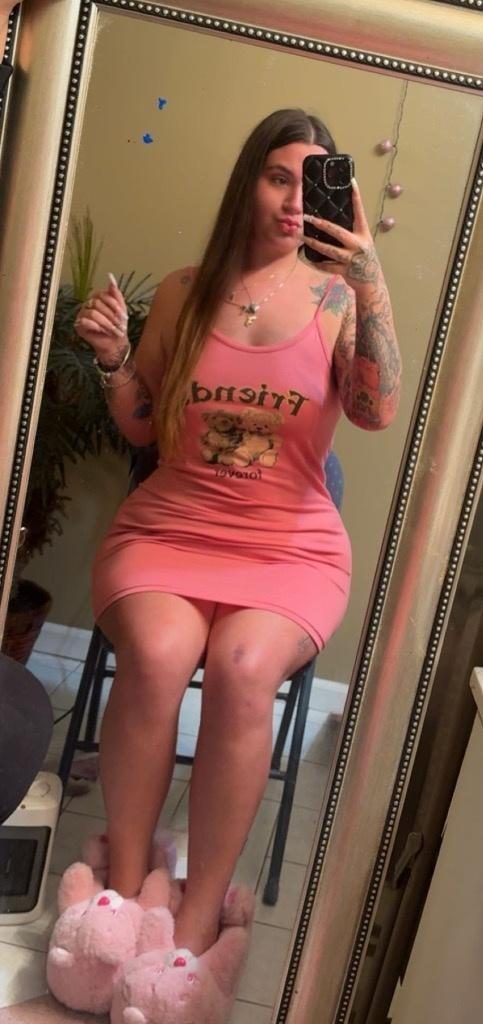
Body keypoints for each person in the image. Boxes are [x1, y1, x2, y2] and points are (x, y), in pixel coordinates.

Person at [73, 108, 401, 958]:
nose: (293, 201)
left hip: (289, 547)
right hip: (170, 528)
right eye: (277, 177)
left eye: (310, 183)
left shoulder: (339, 299)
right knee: (155, 656)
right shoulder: (182, 292)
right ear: (247, 182)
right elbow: (145, 427)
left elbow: (374, 411)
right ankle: (123, 894)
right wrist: (114, 360)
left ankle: (193, 920)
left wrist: (368, 276)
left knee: (242, 669)